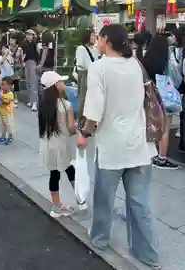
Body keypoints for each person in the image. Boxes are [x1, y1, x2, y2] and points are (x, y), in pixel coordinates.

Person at [81, 24, 160, 269]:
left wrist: (84, 133)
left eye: (99, 37)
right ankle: (148, 254)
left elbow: (94, 110)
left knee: (104, 197)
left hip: (112, 146)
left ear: (106, 40)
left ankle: (100, 239)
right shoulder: (135, 64)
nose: (96, 40)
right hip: (139, 145)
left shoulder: (99, 67)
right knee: (139, 202)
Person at [38, 71, 76, 218]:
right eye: (61, 82)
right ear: (55, 86)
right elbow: (72, 128)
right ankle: (81, 198)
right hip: (62, 145)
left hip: (48, 146)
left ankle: (57, 206)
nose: (63, 84)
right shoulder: (66, 105)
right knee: (70, 170)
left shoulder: (43, 105)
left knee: (54, 174)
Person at [142, 33, 178, 170]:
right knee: (165, 128)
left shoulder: (146, 59)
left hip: (150, 94)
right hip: (164, 95)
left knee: (152, 123)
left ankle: (153, 153)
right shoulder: (167, 59)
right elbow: (174, 76)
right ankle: (162, 158)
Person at [75, 29, 98, 122]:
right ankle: (80, 119)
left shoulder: (95, 49)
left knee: (92, 98)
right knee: (83, 98)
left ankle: (90, 120)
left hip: (93, 74)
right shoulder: (81, 48)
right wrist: (91, 68)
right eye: (92, 35)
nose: (94, 38)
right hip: (84, 74)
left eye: (94, 35)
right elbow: (80, 63)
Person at [22, 29, 39, 111]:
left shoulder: (35, 43)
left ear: (33, 35)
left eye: (30, 34)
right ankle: (31, 101)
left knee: (33, 83)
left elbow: (38, 53)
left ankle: (35, 102)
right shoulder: (24, 43)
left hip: (33, 62)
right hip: (26, 63)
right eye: (27, 34)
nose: (28, 36)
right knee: (27, 82)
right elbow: (23, 53)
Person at [0, 77, 15, 145]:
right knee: (2, 125)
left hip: (8, 113)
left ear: (9, 85)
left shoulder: (10, 94)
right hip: (1, 112)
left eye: (4, 84)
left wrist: (0, 97)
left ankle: (10, 137)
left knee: (9, 125)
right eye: (1, 84)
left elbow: (6, 102)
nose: (2, 86)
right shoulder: (1, 91)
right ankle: (3, 136)